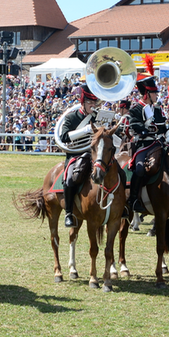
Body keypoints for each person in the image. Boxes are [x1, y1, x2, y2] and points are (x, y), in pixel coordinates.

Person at [55, 83, 100, 228]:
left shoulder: (98, 116)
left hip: (95, 153)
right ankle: (69, 213)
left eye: (94, 102)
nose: (92, 105)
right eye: (89, 102)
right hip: (76, 154)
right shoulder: (71, 117)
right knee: (69, 180)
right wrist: (85, 130)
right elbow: (64, 137)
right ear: (83, 102)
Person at [126, 55, 167, 216]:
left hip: (158, 143)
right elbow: (133, 124)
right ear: (147, 94)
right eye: (154, 93)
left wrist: (167, 131)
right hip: (143, 144)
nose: (157, 96)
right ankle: (134, 199)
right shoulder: (136, 109)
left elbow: (163, 125)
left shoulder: (157, 109)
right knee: (140, 169)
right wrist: (145, 129)